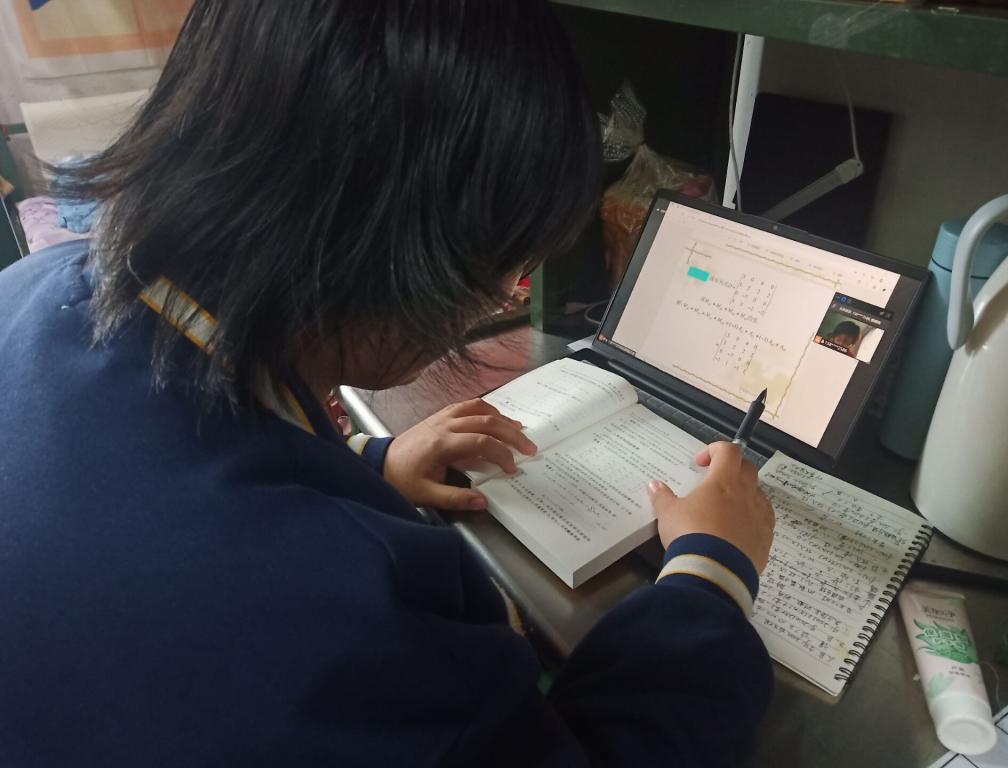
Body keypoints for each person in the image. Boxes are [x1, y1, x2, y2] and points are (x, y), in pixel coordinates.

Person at [0, 1, 775, 765]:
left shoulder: (42, 286)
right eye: (502, 267)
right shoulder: (341, 627)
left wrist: (364, 468)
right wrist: (711, 573)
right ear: (382, 241)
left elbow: (181, 465)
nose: (506, 295)